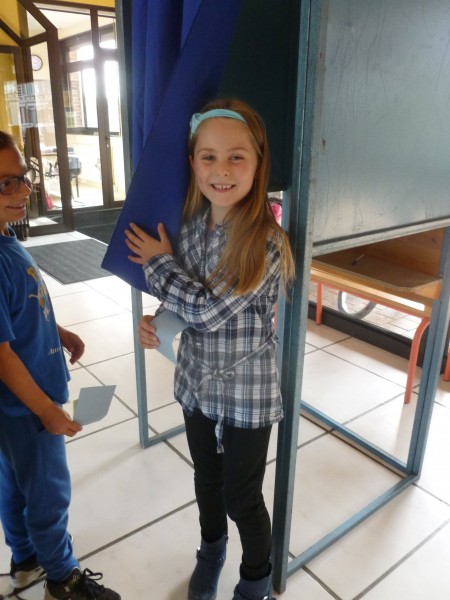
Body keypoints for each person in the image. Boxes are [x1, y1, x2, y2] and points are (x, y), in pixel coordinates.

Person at [125, 99, 295, 600]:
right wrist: (158, 322)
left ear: (258, 163)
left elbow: (207, 310)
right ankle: (211, 551)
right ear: (193, 163)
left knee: (242, 496)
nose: (222, 170)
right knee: (206, 479)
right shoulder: (190, 228)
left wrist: (158, 265)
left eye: (236, 157)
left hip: (247, 396)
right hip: (197, 384)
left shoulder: (265, 242)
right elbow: (186, 303)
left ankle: (255, 579)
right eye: (209, 157)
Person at [0, 131, 121, 600]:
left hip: (17, 408)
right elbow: (2, 355)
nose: (23, 190)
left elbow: (20, 314)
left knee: (15, 483)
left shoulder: (7, 238)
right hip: (27, 405)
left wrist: (58, 331)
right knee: (48, 492)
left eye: (23, 177)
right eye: (5, 183)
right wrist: (47, 411)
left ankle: (26, 560)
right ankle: (62, 578)